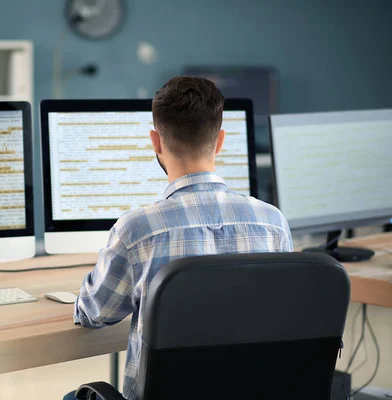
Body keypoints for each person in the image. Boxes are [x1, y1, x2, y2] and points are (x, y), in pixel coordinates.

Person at [64, 76, 292, 400]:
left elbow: (94, 313)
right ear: (221, 140)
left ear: (156, 142)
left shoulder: (137, 230)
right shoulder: (273, 224)